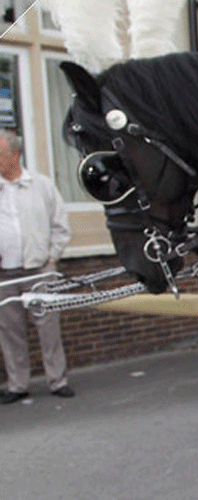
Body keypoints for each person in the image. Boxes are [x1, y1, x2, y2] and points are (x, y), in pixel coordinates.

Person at [0, 129, 74, 404]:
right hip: (4, 274)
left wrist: (51, 258)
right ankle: (18, 384)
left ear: (14, 154)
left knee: (48, 327)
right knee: (10, 331)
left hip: (39, 269)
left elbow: (60, 225)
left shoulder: (41, 185)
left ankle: (58, 380)